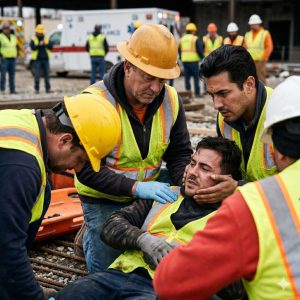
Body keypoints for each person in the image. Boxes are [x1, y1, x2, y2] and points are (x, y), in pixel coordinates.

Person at [154, 75, 300, 300]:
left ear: (275, 150)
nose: (217, 104)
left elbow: (170, 282)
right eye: (192, 164)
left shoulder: (256, 204)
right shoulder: (226, 123)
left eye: (222, 94)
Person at [56, 137, 244, 300]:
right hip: (119, 275)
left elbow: (235, 288)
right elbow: (111, 225)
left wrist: (192, 265)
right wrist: (143, 240)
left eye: (204, 168)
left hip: (163, 290)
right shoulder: (167, 195)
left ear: (224, 179)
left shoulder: (230, 219)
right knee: (73, 293)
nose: (193, 172)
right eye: (192, 163)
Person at [74, 24, 193, 273]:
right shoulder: (95, 102)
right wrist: (137, 187)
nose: (155, 88)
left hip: (146, 195)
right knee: (108, 272)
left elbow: (180, 153)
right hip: (102, 196)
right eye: (148, 78)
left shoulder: (170, 100)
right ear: (128, 67)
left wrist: (186, 187)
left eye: (162, 80)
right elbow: (84, 170)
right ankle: (90, 231)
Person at [0, 93, 121, 300]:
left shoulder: (24, 121)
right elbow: (6, 247)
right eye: (80, 159)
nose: (76, 168)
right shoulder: (22, 167)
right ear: (65, 140)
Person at [194, 45, 276, 203]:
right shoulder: (224, 118)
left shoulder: (283, 117)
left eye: (223, 93)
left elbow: (293, 189)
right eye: (212, 95)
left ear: (249, 85)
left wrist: (239, 189)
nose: (216, 105)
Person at [244, 14, 273, 84]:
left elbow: (269, 47)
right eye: (251, 24)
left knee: (261, 78)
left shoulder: (265, 33)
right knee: (250, 79)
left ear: (259, 24)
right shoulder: (247, 34)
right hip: (250, 61)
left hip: (260, 61)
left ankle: (264, 93)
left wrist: (263, 59)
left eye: (254, 24)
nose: (253, 26)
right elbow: (245, 47)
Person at [179, 22, 204, 97]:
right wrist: (202, 57)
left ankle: (188, 93)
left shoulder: (182, 39)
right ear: (193, 31)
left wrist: (181, 58)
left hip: (185, 61)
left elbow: (179, 50)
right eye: (195, 31)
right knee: (196, 77)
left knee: (187, 77)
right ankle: (197, 93)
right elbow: (199, 49)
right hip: (193, 61)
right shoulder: (195, 38)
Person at [30, 24, 53, 94]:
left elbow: (51, 47)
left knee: (47, 75)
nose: (40, 33)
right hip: (37, 59)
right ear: (36, 32)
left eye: (41, 32)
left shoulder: (46, 38)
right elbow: (32, 47)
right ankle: (37, 89)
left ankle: (48, 89)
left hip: (45, 59)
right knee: (37, 75)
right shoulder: (33, 39)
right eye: (39, 32)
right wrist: (39, 45)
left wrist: (45, 44)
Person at [0, 22, 18, 94]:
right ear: (3, 29)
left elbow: (16, 47)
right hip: (4, 59)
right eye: (5, 29)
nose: (7, 30)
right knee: (3, 75)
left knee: (12, 75)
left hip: (13, 59)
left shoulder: (13, 37)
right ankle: (2, 90)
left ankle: (12, 90)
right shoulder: (0, 36)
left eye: (8, 28)